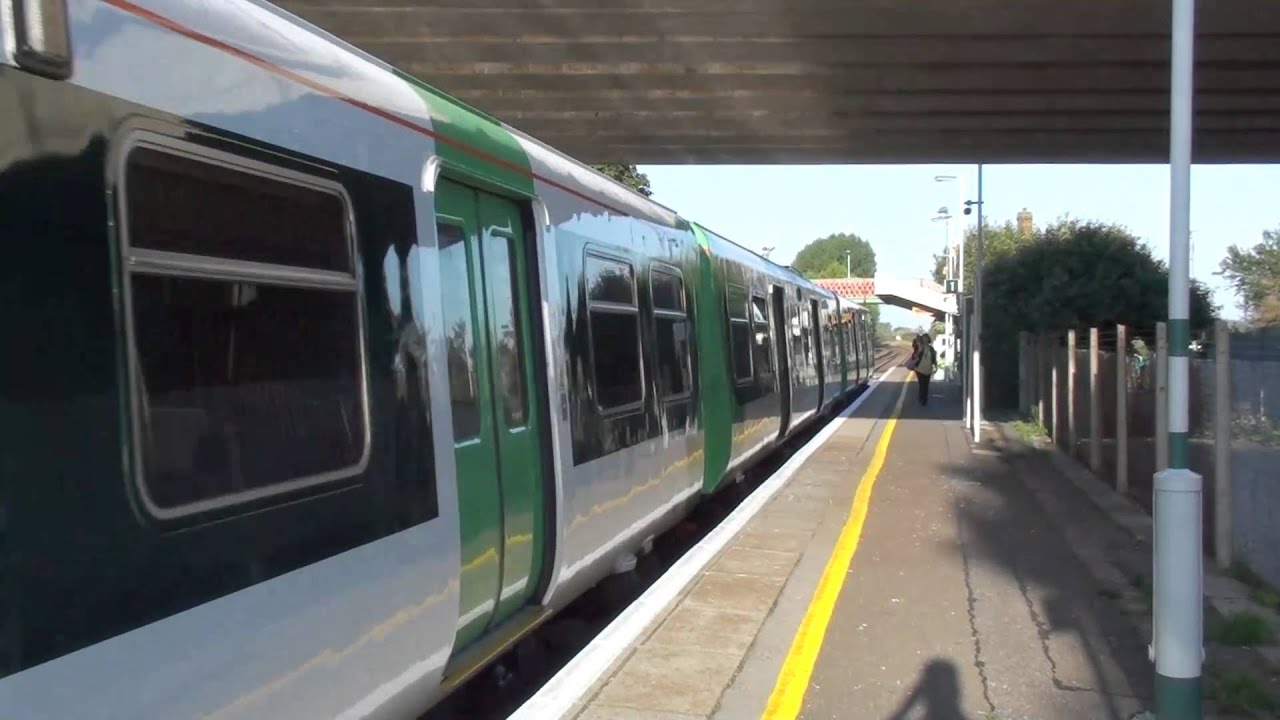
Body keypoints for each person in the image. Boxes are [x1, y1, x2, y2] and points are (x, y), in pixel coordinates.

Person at [912, 333, 936, 406]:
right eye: (924, 339)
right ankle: (921, 398)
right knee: (922, 384)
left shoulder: (931, 348)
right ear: (922, 340)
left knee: (926, 384)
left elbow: (934, 358)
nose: (925, 340)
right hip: (919, 369)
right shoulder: (920, 347)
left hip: (928, 369)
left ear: (928, 340)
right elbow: (914, 355)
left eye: (926, 339)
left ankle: (924, 398)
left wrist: (935, 365)